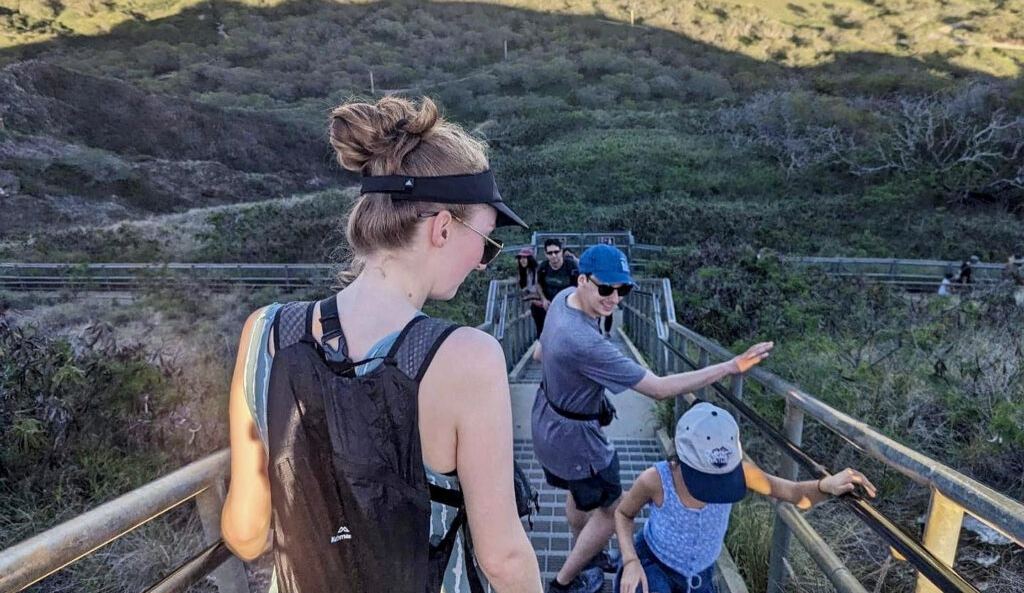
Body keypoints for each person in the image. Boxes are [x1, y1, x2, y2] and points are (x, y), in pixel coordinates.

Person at [222, 95, 542, 593]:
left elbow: (244, 535)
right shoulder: (467, 357)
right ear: (442, 228)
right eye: (487, 241)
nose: (484, 261)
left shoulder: (264, 331)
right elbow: (501, 556)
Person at [531, 244, 773, 593]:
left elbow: (539, 351)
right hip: (578, 441)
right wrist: (729, 366)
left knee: (580, 491)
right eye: (605, 289)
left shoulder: (562, 299)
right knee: (611, 506)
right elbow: (658, 388)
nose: (614, 299)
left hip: (547, 422)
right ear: (582, 280)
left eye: (623, 290)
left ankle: (588, 551)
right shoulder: (584, 341)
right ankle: (563, 581)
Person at [614, 403, 876, 593]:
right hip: (653, 563)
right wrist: (630, 561)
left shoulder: (742, 473)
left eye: (721, 479)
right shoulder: (656, 479)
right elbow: (623, 514)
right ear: (680, 458)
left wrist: (825, 485)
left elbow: (793, 493)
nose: (714, 489)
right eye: (705, 479)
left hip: (699, 577)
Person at [518, 247, 546, 337]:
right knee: (540, 330)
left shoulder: (538, 271)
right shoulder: (526, 272)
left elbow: (541, 290)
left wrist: (529, 296)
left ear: (530, 259)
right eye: (520, 258)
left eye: (524, 258)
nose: (522, 260)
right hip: (535, 305)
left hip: (544, 306)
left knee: (544, 331)